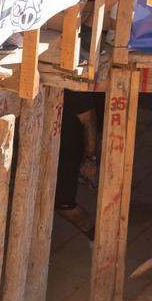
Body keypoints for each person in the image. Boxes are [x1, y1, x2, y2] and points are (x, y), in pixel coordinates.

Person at [56, 90, 103, 241]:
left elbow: (90, 121)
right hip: (49, 152)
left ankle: (96, 237)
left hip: (68, 155)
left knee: (65, 205)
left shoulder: (74, 89)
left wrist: (90, 158)